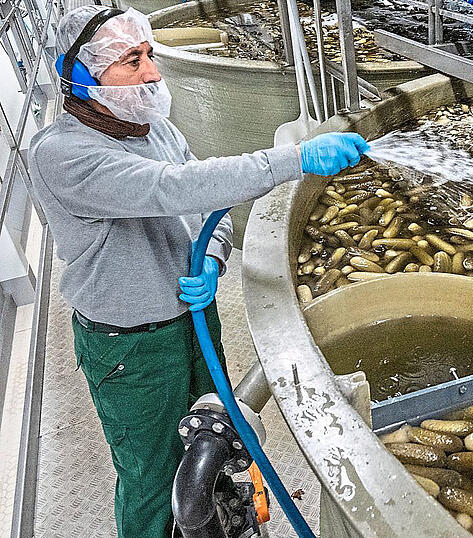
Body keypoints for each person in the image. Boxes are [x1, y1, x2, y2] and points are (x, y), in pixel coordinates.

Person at [27, 5, 368, 537]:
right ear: (80, 74)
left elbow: (211, 210)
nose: (151, 72)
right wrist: (293, 159)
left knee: (220, 442)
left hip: (194, 319)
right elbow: (172, 188)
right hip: (133, 347)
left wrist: (212, 258)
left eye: (150, 55)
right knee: (152, 480)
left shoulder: (151, 127)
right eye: (130, 61)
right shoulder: (63, 154)